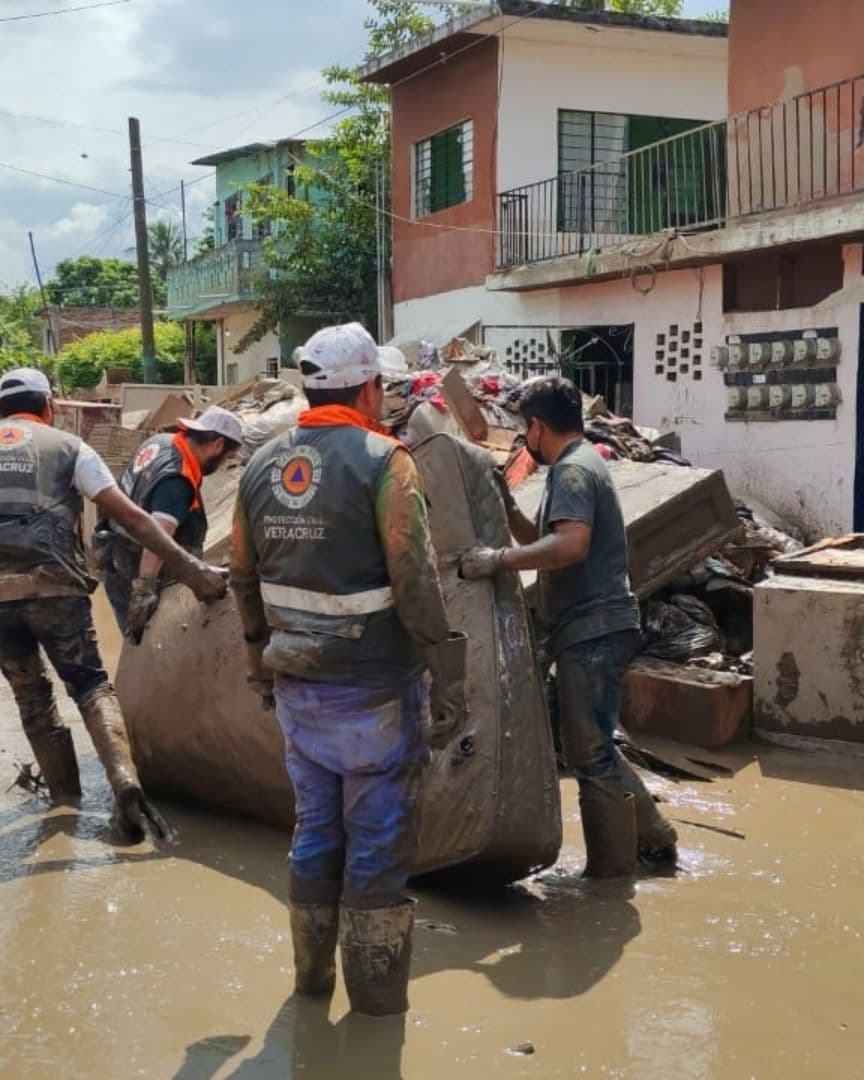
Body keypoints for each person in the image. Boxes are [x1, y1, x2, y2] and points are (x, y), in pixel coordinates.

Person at [230, 322, 467, 1016]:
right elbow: (416, 582)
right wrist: (447, 678)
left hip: (297, 687)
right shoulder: (384, 459)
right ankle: (375, 1010)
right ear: (369, 388)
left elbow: (242, 580)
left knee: (315, 831)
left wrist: (258, 668)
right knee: (378, 845)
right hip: (375, 693)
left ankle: (309, 987)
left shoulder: (258, 465)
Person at [460, 376, 677, 878]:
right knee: (590, 744)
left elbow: (570, 546)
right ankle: (651, 840)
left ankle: (612, 874)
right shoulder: (575, 467)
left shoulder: (574, 471)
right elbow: (547, 538)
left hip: (595, 629)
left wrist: (497, 560)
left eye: (523, 431)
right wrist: (507, 508)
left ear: (537, 427)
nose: (522, 441)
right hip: (589, 627)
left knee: (589, 749)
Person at [0, 367, 227, 841]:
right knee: (91, 688)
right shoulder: (68, 447)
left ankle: (65, 805)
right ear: (49, 407)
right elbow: (137, 520)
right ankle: (124, 784)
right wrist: (196, 573)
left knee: (32, 700)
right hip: (57, 589)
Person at [98, 405, 242, 643]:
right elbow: (157, 538)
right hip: (135, 571)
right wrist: (144, 592)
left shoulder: (161, 442)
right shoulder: (177, 479)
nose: (222, 464)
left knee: (133, 649)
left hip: (115, 556)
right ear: (217, 444)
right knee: (150, 649)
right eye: (227, 456)